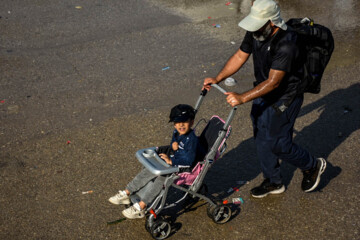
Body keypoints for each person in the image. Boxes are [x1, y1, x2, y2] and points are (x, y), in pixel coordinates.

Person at [203, 0, 326, 198]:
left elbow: (273, 82)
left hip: (285, 97)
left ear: (273, 23)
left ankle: (312, 165)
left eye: (258, 25)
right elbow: (240, 55)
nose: (254, 30)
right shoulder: (257, 30)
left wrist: (242, 97)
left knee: (279, 144)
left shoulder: (287, 44)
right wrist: (218, 78)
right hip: (261, 92)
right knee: (261, 137)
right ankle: (273, 181)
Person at [108, 104, 200, 218]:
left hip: (182, 168)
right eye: (177, 122)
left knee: (161, 178)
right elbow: (173, 144)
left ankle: (141, 206)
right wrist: (173, 145)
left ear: (191, 122)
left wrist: (171, 161)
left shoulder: (192, 141)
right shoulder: (177, 132)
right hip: (173, 161)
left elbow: (188, 160)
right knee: (149, 169)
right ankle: (127, 192)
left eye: (184, 122)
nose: (180, 125)